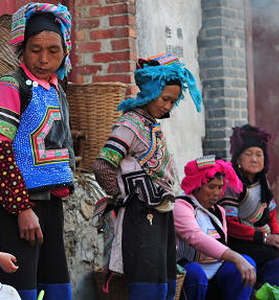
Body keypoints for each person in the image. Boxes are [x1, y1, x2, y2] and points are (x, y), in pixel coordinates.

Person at [0, 2, 75, 299]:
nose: (44, 59)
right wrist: (22, 208)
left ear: (65, 51)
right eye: (35, 50)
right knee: (20, 289)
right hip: (16, 205)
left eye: (53, 50)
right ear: (22, 48)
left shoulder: (57, 88)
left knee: (58, 286)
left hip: (50, 203)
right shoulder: (11, 86)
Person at [92, 53, 203, 299]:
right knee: (147, 287)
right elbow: (102, 166)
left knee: (163, 286)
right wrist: (124, 196)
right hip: (141, 217)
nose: (167, 106)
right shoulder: (129, 125)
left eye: (173, 102)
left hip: (160, 215)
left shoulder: (150, 124)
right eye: (165, 99)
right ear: (150, 90)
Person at [219, 124, 279, 286]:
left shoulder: (262, 181)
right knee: (275, 258)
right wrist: (265, 238)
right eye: (249, 154)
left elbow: (271, 215)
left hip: (259, 239)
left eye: (259, 154)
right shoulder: (232, 182)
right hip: (237, 241)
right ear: (238, 157)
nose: (254, 159)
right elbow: (230, 225)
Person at [175, 155, 256, 299]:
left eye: (220, 187)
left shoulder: (219, 211)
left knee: (247, 263)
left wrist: (241, 260)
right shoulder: (181, 206)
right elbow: (196, 238)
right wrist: (236, 257)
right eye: (211, 187)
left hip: (216, 274)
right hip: (192, 277)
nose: (217, 192)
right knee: (195, 272)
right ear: (196, 185)